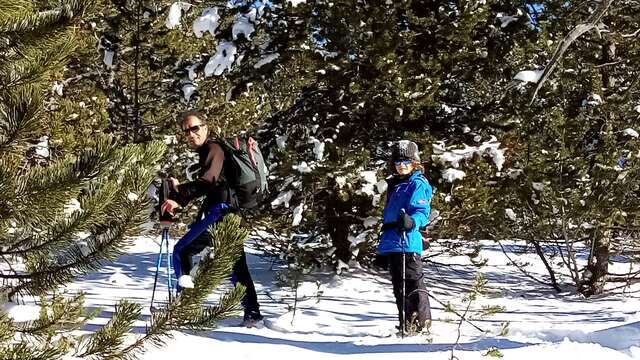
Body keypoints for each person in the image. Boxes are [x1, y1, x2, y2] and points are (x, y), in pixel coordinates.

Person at [160, 110, 263, 325]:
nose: (190, 134)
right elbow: (214, 184)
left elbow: (209, 180)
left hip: (222, 214)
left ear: (206, 128)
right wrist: (182, 192)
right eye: (186, 131)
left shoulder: (213, 148)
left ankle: (181, 307)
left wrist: (178, 197)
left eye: (195, 128)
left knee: (183, 250)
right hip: (232, 214)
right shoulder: (214, 150)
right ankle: (253, 314)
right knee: (236, 263)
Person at [377, 140, 432, 333]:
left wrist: (412, 222)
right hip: (393, 242)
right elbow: (388, 219)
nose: (401, 165)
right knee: (398, 288)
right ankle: (406, 323)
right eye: (398, 161)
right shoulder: (395, 184)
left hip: (408, 241)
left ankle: (421, 325)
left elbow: (421, 211)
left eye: (406, 160)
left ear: (414, 162)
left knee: (413, 284)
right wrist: (382, 248)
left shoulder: (417, 183)